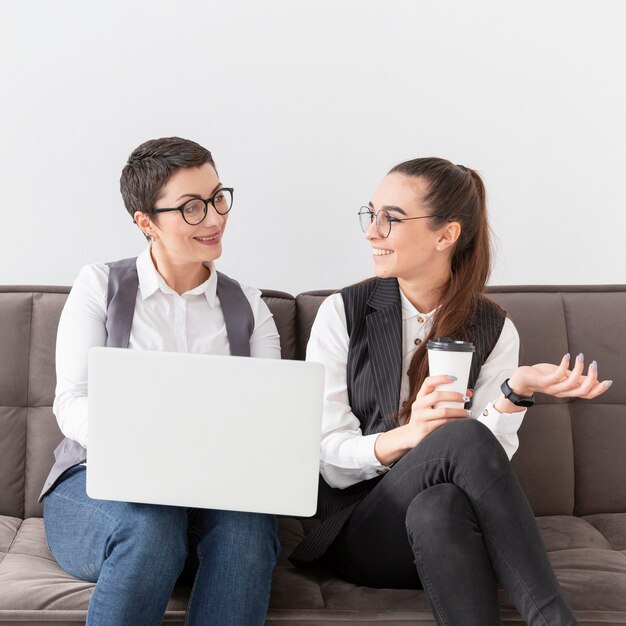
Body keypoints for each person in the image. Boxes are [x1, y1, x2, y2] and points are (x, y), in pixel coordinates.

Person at [290, 157, 611, 626]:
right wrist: (410, 435)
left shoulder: (495, 328)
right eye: (371, 213)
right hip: (362, 532)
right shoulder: (343, 313)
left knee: (438, 504)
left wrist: (514, 392)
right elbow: (327, 460)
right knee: (458, 440)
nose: (371, 232)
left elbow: (484, 466)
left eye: (391, 219)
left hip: (448, 530)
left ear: (446, 236)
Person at [41, 137, 281, 626]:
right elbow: (71, 402)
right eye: (191, 208)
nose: (214, 218)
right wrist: (141, 447)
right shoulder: (99, 287)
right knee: (151, 523)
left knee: (249, 531)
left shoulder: (249, 307)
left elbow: (269, 416)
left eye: (217, 198)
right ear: (145, 222)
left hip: (214, 493)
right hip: (97, 485)